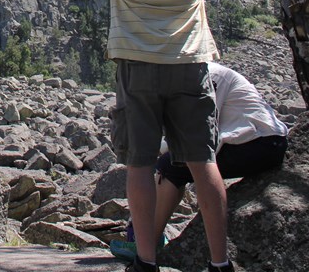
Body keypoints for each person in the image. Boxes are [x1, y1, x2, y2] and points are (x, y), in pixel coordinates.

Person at [67, 0, 231, 272]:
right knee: (202, 161)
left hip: (138, 65)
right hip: (190, 63)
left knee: (139, 164)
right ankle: (220, 262)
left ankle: (145, 260)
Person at [110, 62, 289, 262]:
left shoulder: (207, 76)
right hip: (266, 141)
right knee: (176, 162)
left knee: (172, 166)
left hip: (258, 142)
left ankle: (146, 244)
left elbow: (200, 133)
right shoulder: (201, 73)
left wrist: (156, 151)